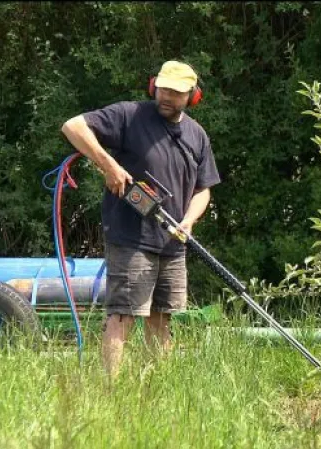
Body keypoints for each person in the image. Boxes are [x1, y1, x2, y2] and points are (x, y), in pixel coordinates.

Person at [61, 60, 221, 377]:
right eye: (163, 88)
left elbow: (204, 189)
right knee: (123, 315)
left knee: (162, 319)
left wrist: (188, 222)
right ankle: (112, 395)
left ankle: (155, 389)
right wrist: (108, 165)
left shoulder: (197, 135)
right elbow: (73, 126)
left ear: (193, 96)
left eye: (176, 92)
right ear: (153, 86)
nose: (167, 96)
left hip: (173, 244)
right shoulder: (129, 116)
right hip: (132, 239)